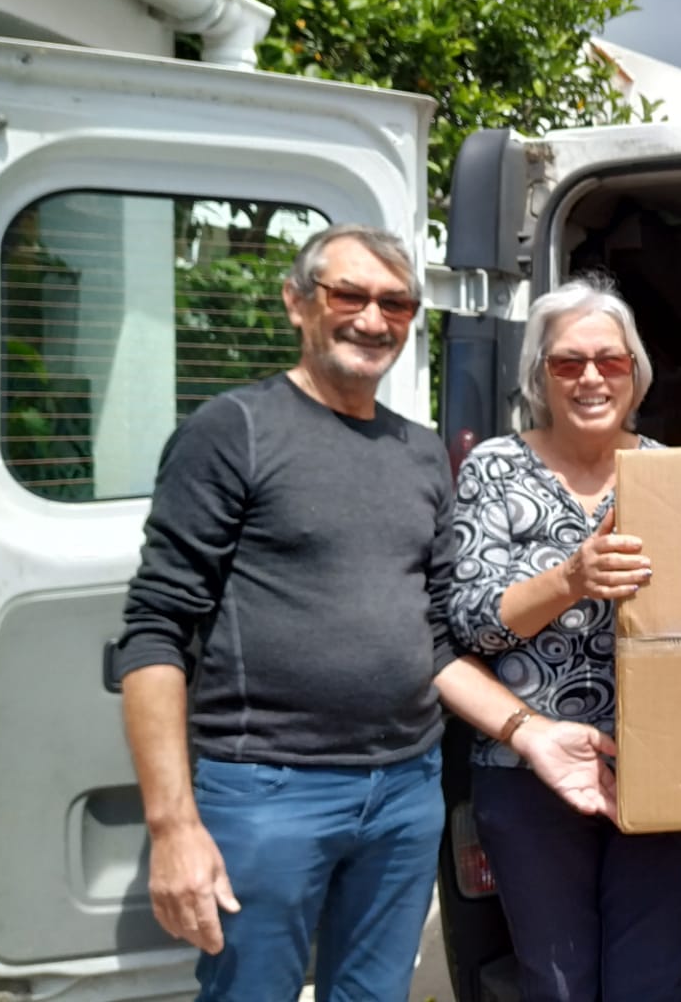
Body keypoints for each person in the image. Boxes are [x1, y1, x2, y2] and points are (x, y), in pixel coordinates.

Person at [113, 224, 619, 1002]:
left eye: (396, 303)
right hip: (269, 788)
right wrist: (172, 826)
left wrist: (533, 734)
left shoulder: (418, 453)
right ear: (297, 302)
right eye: (349, 295)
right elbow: (156, 631)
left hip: (404, 792)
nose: (373, 319)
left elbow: (435, 644)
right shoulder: (233, 431)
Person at [445, 274, 681, 1001]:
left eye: (610, 360)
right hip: (528, 766)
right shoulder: (496, 468)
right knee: (557, 983)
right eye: (568, 362)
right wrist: (571, 578)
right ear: (540, 376)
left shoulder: (668, 471)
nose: (591, 377)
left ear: (635, 374)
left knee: (650, 981)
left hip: (654, 765)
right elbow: (470, 623)